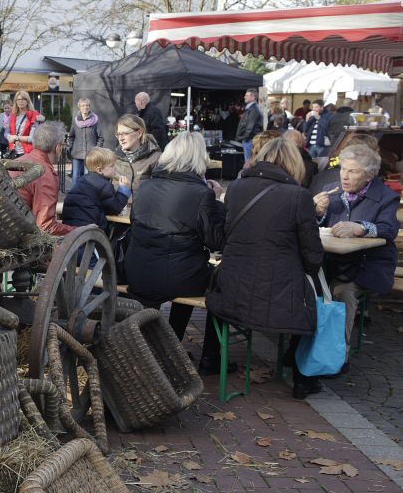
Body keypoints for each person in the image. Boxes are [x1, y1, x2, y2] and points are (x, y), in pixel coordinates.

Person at [207, 136, 325, 399]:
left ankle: (211, 356)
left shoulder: (236, 187)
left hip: (231, 289)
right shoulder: (299, 196)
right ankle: (303, 378)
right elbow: (313, 256)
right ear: (293, 163)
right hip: (276, 296)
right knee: (317, 300)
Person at [123, 132, 227, 374]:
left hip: (138, 270)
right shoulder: (201, 193)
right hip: (178, 276)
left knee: (190, 269)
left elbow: (134, 222)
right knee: (221, 283)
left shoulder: (145, 186)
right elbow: (216, 241)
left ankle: (169, 346)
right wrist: (217, 201)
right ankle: (209, 357)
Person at [313, 144, 399, 369]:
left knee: (342, 292)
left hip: (366, 265)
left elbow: (389, 229)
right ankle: (304, 347)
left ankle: (337, 355)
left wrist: (361, 227)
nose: (344, 176)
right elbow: (314, 227)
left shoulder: (386, 197)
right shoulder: (331, 191)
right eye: (343, 169)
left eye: (353, 171)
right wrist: (317, 212)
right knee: (305, 286)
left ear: (369, 175)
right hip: (330, 262)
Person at [11, 121, 74, 236]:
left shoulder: (17, 162)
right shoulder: (45, 174)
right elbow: (45, 226)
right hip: (20, 236)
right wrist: (77, 231)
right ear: (58, 148)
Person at [61, 147, 130, 234]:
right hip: (90, 228)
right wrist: (124, 191)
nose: (115, 168)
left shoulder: (82, 180)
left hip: (71, 226)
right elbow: (114, 209)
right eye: (112, 166)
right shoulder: (104, 185)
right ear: (99, 170)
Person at [113, 114, 161, 198]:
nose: (121, 138)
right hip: (119, 207)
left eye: (125, 133)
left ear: (139, 133)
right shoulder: (114, 159)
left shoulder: (157, 159)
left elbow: (161, 193)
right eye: (118, 134)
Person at [67, 97, 105, 185]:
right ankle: (75, 193)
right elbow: (71, 136)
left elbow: (101, 138)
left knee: (88, 177)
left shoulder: (95, 121)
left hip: (90, 155)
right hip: (77, 153)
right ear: (79, 107)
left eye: (87, 105)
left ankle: (87, 193)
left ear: (89, 106)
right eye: (83, 105)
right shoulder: (75, 121)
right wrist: (70, 148)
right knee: (75, 176)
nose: (85, 107)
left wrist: (96, 150)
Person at [7, 90, 42, 158]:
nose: (21, 101)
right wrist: (10, 137)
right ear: (16, 101)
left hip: (27, 152)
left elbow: (32, 138)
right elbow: (6, 132)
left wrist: (16, 138)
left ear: (27, 101)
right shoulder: (12, 115)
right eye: (19, 99)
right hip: (13, 151)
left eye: (23, 99)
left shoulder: (34, 115)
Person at [236, 89, 263, 161]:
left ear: (253, 97)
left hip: (249, 139)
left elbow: (250, 126)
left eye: (247, 95)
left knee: (249, 162)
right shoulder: (251, 108)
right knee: (249, 161)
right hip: (249, 139)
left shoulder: (254, 109)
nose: (244, 97)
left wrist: (245, 138)